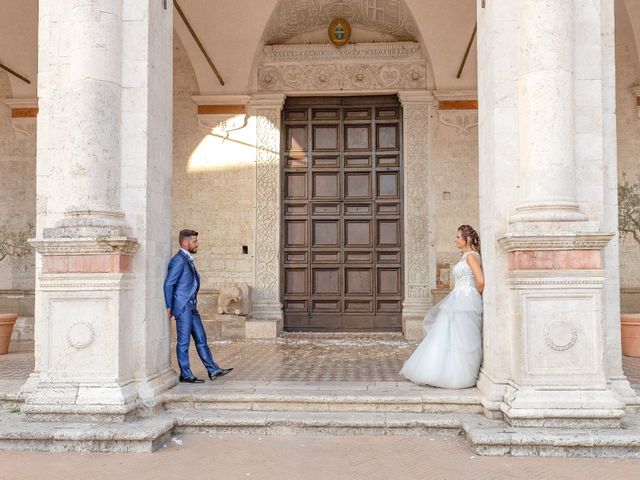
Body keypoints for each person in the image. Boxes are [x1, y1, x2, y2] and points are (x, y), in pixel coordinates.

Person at [400, 224, 484, 389]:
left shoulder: (471, 256)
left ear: (467, 239)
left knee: (463, 337)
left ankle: (461, 374)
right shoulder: (465, 256)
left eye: (458, 237)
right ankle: (447, 371)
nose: (455, 240)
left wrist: (472, 295)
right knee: (452, 335)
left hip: (465, 299)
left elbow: (480, 281)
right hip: (459, 298)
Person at [164, 229, 233, 383]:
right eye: (194, 241)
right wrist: (169, 306)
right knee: (184, 342)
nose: (197, 244)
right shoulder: (178, 260)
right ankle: (186, 373)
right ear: (185, 242)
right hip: (182, 307)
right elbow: (169, 284)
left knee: (201, 338)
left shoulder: (187, 259)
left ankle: (213, 370)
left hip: (191, 306)